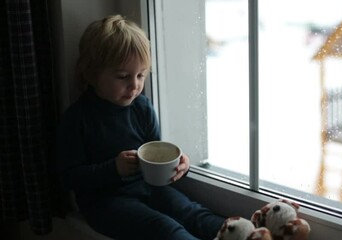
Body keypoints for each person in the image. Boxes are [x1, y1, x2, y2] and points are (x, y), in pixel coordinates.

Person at [56, 14, 225, 240]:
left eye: (140, 75)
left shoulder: (141, 107)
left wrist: (178, 164)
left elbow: (154, 153)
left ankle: (248, 234)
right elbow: (69, 178)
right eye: (123, 76)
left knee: (192, 212)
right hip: (105, 203)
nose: (134, 86)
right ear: (91, 73)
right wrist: (113, 168)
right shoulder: (77, 119)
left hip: (149, 188)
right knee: (165, 228)